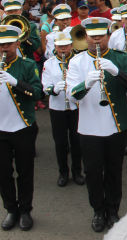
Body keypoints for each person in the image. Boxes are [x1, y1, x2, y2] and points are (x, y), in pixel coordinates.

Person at [66, 17, 127, 232]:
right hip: (89, 127)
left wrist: (117, 72)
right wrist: (86, 83)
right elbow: (72, 96)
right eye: (92, 35)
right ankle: (98, 210)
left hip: (115, 126)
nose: (96, 38)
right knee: (93, 172)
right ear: (86, 36)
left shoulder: (120, 57)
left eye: (101, 34)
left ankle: (113, 209)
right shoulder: (77, 62)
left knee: (114, 171)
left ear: (108, 36)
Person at [0, 25, 42, 232]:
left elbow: (37, 93)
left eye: (7, 44)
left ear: (17, 44)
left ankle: (25, 210)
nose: (4, 49)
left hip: (23, 126)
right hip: (0, 129)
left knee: (25, 171)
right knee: (3, 173)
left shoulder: (26, 65)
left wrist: (16, 82)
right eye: (0, 45)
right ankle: (11, 209)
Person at [41, 30, 84, 188]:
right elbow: (45, 87)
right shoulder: (49, 64)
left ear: (71, 46)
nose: (63, 50)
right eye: (60, 47)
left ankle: (77, 171)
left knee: (76, 141)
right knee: (60, 143)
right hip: (57, 107)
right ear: (56, 48)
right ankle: (63, 173)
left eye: (66, 46)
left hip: (74, 106)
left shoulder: (77, 61)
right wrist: (54, 89)